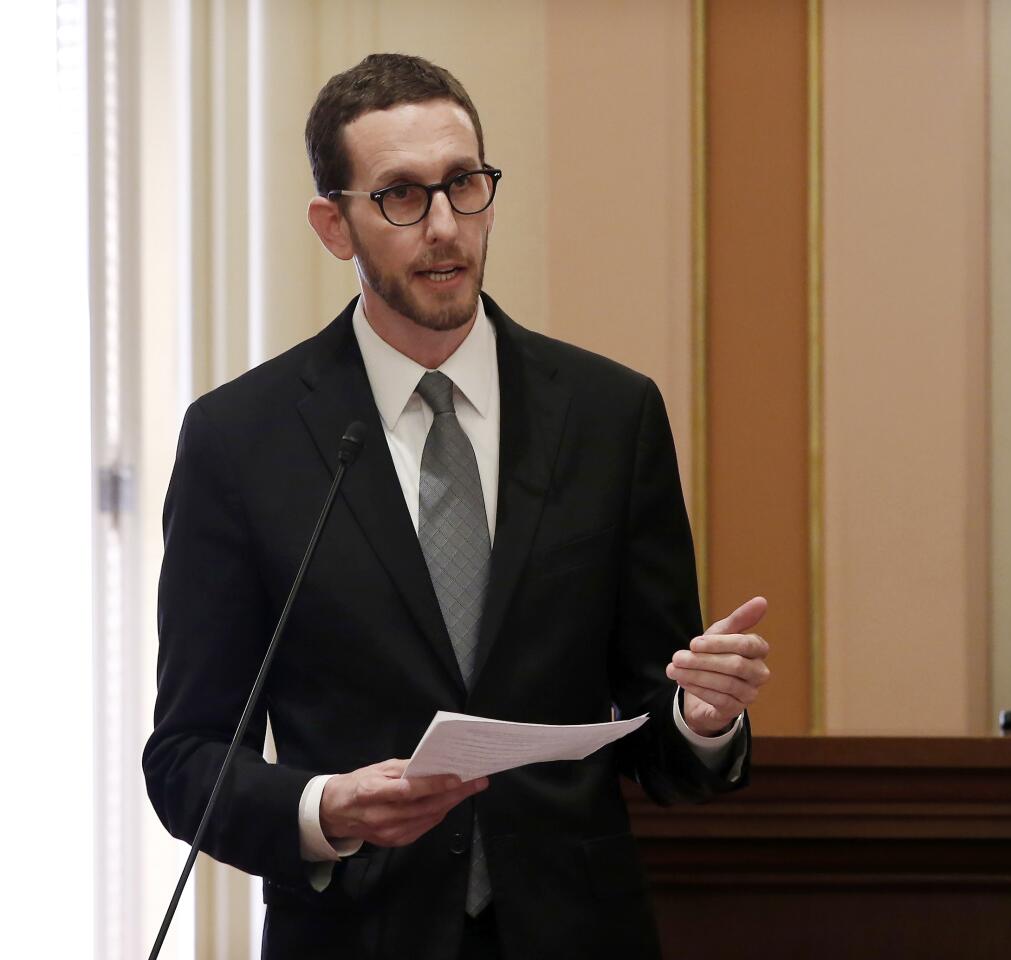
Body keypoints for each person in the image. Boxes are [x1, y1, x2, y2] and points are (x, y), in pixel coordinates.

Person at [144, 53, 770, 960]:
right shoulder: (243, 441)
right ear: (334, 224)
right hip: (358, 932)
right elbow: (187, 757)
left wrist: (702, 720)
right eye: (401, 196)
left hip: (575, 931)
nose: (445, 227)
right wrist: (325, 808)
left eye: (465, 186)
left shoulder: (608, 416)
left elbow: (655, 734)